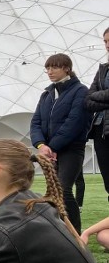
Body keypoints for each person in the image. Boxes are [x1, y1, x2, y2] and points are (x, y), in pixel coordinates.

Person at [29, 53, 89, 233]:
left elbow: (75, 121)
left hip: (71, 149)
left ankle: (75, 234)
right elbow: (36, 122)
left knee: (63, 190)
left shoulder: (80, 91)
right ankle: (60, 232)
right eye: (47, 68)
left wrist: (52, 146)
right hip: (49, 151)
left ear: (67, 68)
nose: (49, 71)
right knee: (52, 192)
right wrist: (41, 145)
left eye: (54, 67)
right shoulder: (47, 93)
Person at [84, 26, 109, 200]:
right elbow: (87, 100)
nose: (107, 45)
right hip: (101, 130)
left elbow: (93, 96)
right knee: (108, 179)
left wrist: (97, 97)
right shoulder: (103, 69)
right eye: (105, 41)